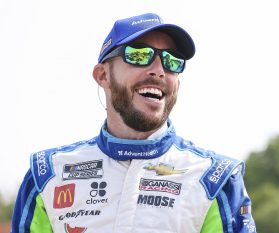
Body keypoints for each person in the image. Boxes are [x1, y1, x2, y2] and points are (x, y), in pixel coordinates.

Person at [11, 13, 257, 233]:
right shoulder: (47, 175)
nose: (159, 70)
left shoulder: (216, 179)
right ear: (103, 75)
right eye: (139, 55)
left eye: (172, 61)